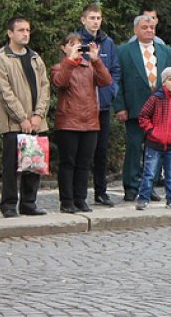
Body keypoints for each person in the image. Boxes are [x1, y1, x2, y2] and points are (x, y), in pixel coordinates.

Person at [0, 17, 50, 218]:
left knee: (33, 164)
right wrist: (22, 118)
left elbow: (45, 87)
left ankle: (29, 203)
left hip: (35, 122)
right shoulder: (2, 58)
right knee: (11, 166)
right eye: (21, 30)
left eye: (28, 30)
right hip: (13, 123)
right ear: (10, 33)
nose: (25, 34)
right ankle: (8, 204)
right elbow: (3, 92)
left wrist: (38, 115)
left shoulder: (35, 58)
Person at [114, 14, 171, 201]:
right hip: (135, 108)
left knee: (156, 149)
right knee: (134, 148)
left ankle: (149, 185)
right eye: (144, 28)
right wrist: (120, 107)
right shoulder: (124, 51)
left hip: (159, 110)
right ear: (135, 30)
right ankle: (131, 187)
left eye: (151, 28)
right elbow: (118, 80)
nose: (149, 31)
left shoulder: (166, 51)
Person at [51, 33, 112, 214]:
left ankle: (80, 199)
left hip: (90, 122)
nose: (77, 47)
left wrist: (96, 60)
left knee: (84, 163)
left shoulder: (89, 67)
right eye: (72, 44)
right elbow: (60, 82)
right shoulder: (59, 67)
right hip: (68, 122)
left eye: (79, 44)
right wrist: (70, 61)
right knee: (68, 163)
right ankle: (67, 201)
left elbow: (106, 81)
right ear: (63, 48)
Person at [78, 4, 121, 207]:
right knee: (84, 153)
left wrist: (112, 91)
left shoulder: (108, 42)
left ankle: (101, 192)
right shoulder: (77, 42)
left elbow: (115, 69)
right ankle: (79, 194)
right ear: (83, 20)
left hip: (102, 105)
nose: (96, 21)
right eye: (92, 17)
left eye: (99, 18)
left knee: (101, 152)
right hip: (82, 106)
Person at [135, 67, 171, 211]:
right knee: (149, 172)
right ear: (164, 82)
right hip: (155, 143)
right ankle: (143, 198)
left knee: (170, 175)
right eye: (170, 79)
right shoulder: (155, 98)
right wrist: (152, 131)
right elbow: (143, 116)